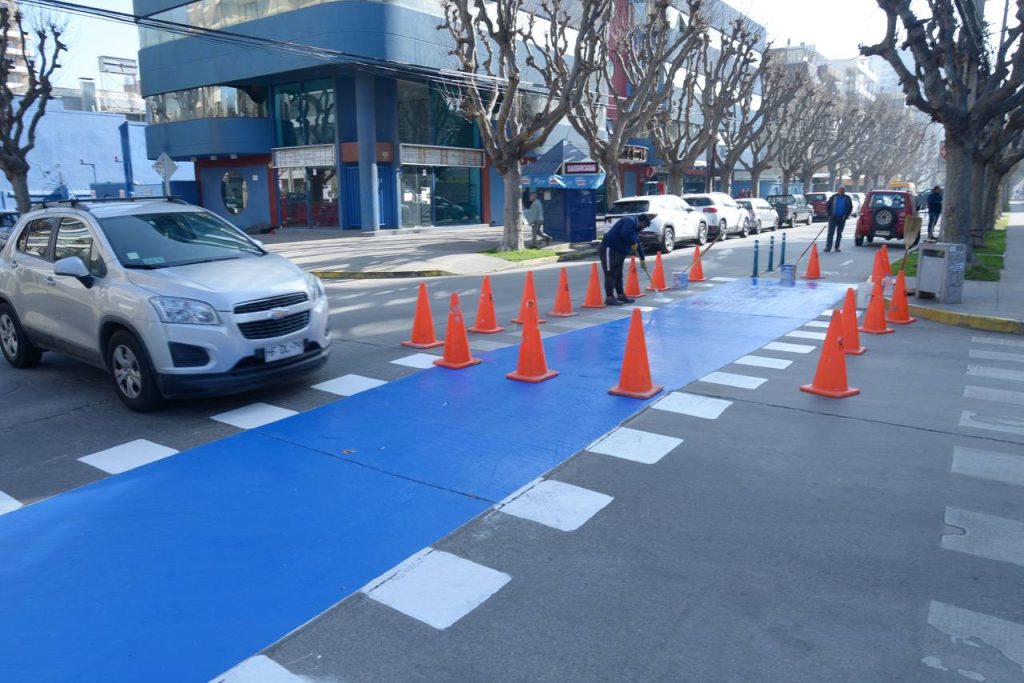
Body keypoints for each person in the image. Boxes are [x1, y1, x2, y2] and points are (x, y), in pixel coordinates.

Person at [599, 213, 650, 305]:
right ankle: (609, 297)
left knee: (618, 274)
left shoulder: (635, 229)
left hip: (619, 252)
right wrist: (632, 242)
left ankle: (620, 295)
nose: (643, 228)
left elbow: (638, 244)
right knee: (610, 273)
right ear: (642, 222)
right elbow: (625, 233)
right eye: (644, 226)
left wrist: (642, 259)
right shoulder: (629, 220)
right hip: (609, 248)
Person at [824, 186, 853, 253]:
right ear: (838, 190)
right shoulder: (834, 197)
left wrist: (846, 216)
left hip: (842, 218)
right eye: (840, 190)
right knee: (831, 233)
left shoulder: (847, 198)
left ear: (844, 191)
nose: (841, 191)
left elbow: (850, 208)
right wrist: (829, 214)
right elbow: (828, 206)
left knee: (839, 233)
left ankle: (837, 247)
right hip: (833, 218)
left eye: (843, 190)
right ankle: (828, 247)